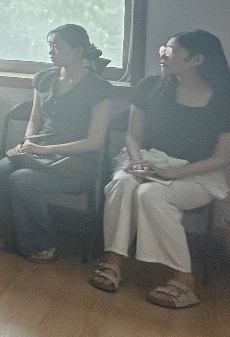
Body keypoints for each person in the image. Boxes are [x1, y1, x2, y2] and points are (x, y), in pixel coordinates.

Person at [92, 31, 230, 308]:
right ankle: (113, 260)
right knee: (124, 183)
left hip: (197, 173)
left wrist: (171, 174)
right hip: (147, 159)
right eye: (163, 49)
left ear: (196, 60)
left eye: (171, 51)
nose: (163, 55)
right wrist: (136, 161)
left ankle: (183, 279)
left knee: (151, 195)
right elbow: (132, 136)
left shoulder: (223, 99)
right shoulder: (150, 86)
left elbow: (221, 159)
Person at [0, 23, 114, 263]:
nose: (51, 51)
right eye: (50, 46)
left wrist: (44, 149)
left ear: (78, 51)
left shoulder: (98, 88)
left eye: (57, 47)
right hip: (38, 150)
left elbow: (93, 142)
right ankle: (15, 236)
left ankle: (42, 243)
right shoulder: (44, 79)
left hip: (75, 161)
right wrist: (27, 142)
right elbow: (34, 120)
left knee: (22, 179)